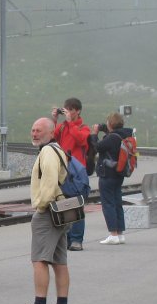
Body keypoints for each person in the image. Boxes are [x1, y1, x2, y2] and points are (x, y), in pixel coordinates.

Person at [14, 117, 71, 304]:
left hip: (50, 211)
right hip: (64, 209)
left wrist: (40, 205)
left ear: (51, 133)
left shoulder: (47, 152)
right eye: (33, 129)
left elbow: (48, 181)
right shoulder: (59, 150)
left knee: (39, 260)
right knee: (59, 261)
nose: (34, 133)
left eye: (39, 130)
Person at [51, 97, 91, 251]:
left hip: (77, 173)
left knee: (77, 206)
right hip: (62, 170)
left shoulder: (83, 128)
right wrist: (55, 120)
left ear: (77, 111)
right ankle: (66, 239)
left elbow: (80, 140)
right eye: (65, 108)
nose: (67, 111)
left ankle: (76, 239)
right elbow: (52, 138)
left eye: (70, 109)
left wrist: (71, 123)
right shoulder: (62, 127)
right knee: (64, 204)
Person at [93, 111, 132, 245]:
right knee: (117, 202)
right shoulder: (124, 135)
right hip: (119, 174)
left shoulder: (111, 138)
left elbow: (97, 147)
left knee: (108, 204)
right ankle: (120, 234)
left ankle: (113, 234)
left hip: (107, 174)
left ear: (110, 123)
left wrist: (95, 134)